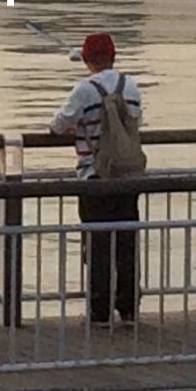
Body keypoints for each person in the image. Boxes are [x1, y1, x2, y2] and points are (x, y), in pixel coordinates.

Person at [50, 32, 144, 325]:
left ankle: (99, 311)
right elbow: (137, 121)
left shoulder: (84, 89)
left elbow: (58, 124)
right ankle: (128, 308)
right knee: (126, 243)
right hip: (128, 176)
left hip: (94, 175)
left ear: (87, 59)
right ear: (114, 57)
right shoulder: (130, 86)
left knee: (97, 244)